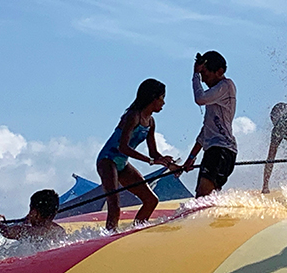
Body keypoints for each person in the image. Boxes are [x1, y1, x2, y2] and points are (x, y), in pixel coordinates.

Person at [97, 79, 180, 231]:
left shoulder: (151, 122)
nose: (163, 103)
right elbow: (123, 147)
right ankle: (108, 237)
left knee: (151, 200)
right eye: (162, 98)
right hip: (107, 160)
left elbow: (154, 153)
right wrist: (150, 161)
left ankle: (135, 231)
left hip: (122, 163)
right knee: (114, 205)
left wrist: (169, 164)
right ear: (153, 98)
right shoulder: (133, 116)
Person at [182, 51, 238, 197]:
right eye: (201, 77)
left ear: (220, 71)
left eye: (205, 75)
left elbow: (199, 99)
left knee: (203, 196)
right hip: (214, 150)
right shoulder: (214, 97)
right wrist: (191, 157)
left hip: (221, 150)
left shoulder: (226, 85)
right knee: (202, 199)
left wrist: (195, 76)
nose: (204, 81)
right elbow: (206, 130)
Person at [0, 189, 66, 241]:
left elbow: (7, 231)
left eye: (30, 210)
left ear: (36, 213)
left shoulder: (30, 231)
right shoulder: (59, 231)